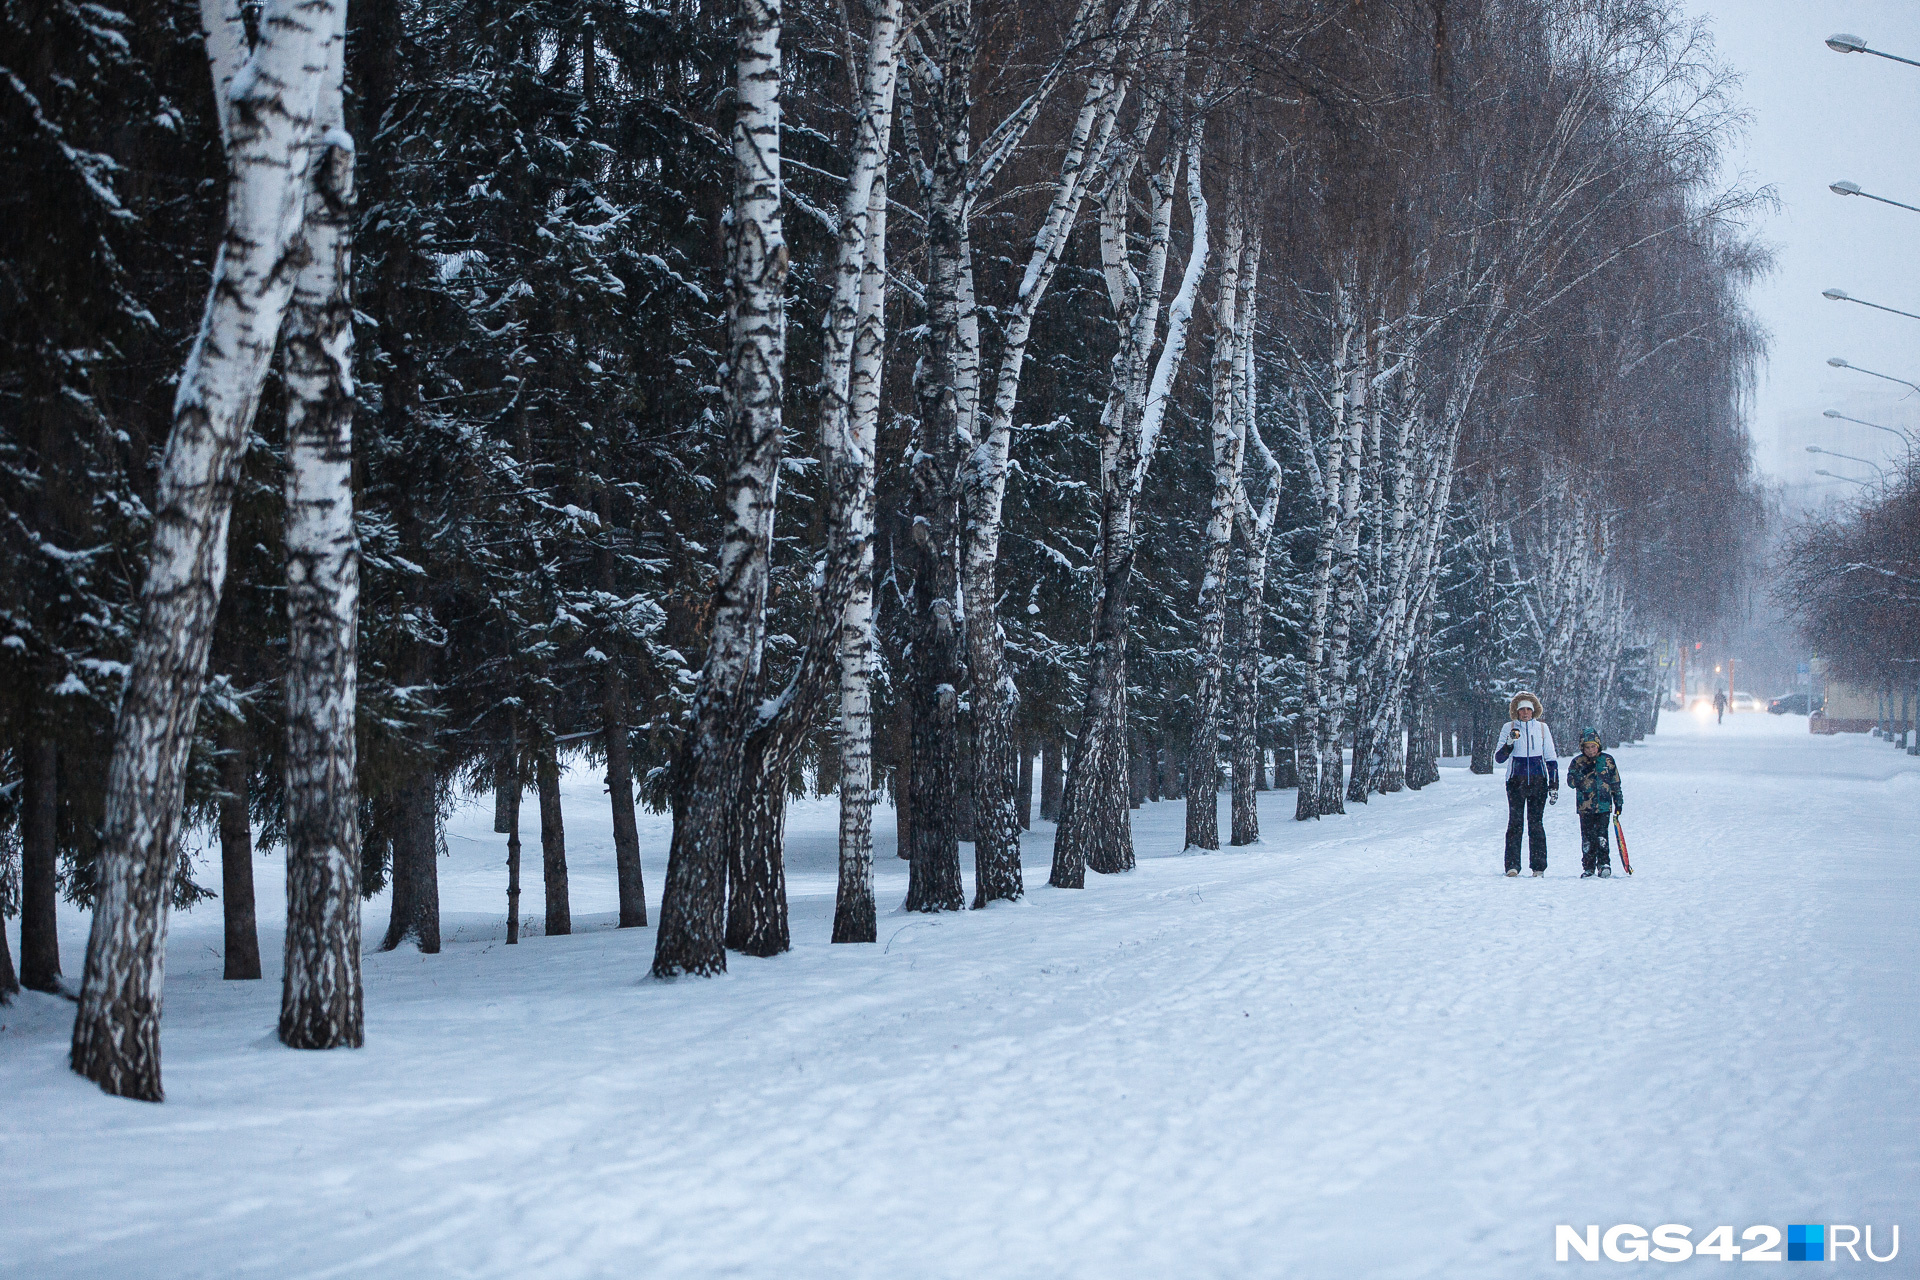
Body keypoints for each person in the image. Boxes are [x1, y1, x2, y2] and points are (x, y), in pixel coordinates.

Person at [1495, 690, 1559, 877]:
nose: (1525, 713)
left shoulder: (1542, 728)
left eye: (1528, 710)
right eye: (1521, 709)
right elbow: (1499, 758)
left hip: (1538, 781)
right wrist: (1509, 743)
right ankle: (1512, 865)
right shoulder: (1509, 727)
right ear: (1516, 711)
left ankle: (1538, 867)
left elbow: (1551, 756)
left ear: (1534, 711)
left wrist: (1554, 784)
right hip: (1516, 782)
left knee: (1536, 824)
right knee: (1515, 823)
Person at [1566, 727, 1624, 878]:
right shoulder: (1577, 762)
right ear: (1582, 748)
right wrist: (1581, 774)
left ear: (1598, 746)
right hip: (1585, 807)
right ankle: (1588, 866)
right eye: (1587, 747)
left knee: (1602, 836)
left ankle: (1604, 863)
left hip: (1604, 805)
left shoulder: (1607, 760)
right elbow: (1571, 782)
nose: (1591, 750)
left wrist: (1618, 800)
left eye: (1593, 746)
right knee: (1587, 838)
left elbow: (1615, 782)